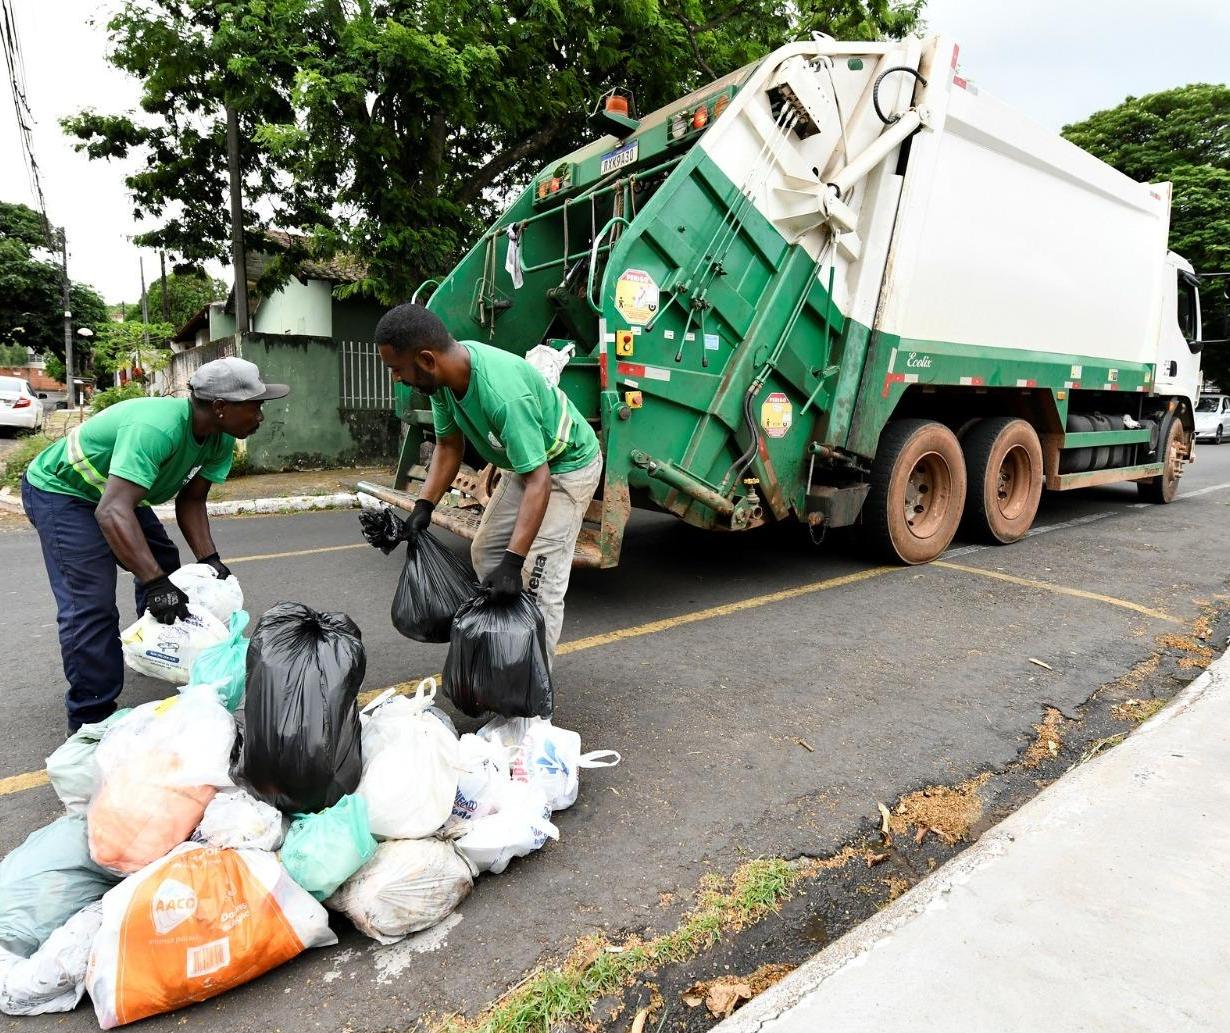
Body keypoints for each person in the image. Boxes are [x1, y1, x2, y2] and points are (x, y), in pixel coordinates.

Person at [22, 357, 289, 731]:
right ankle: (90, 717)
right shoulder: (157, 428)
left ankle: (153, 647)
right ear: (220, 407)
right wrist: (155, 583)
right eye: (255, 406)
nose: (260, 416)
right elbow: (112, 512)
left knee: (162, 561)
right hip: (62, 492)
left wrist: (210, 559)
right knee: (92, 604)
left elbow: (191, 500)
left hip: (116, 496)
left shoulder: (221, 437)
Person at [372, 303, 601, 657]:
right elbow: (449, 446)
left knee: (538, 583)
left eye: (397, 369)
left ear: (427, 360)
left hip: (565, 466)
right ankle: (504, 657)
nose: (395, 378)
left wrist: (514, 563)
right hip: (523, 464)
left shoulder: (502, 393)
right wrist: (423, 507)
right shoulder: (444, 382)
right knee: (486, 551)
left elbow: (539, 481)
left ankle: (531, 706)